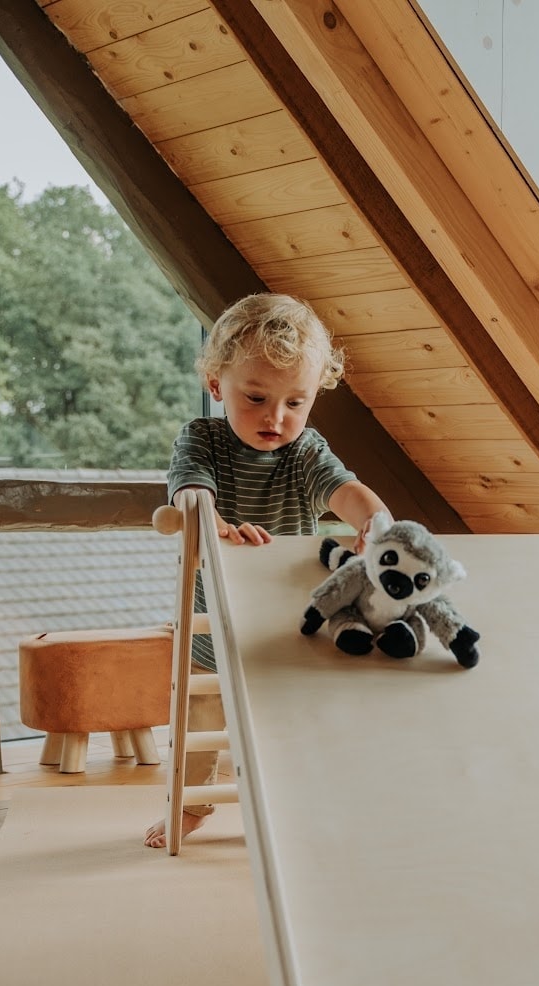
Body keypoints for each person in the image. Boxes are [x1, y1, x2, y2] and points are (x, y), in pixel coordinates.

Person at [144, 293, 390, 848]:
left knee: (294, 723)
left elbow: (345, 490)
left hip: (288, 626)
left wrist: (375, 521)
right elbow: (188, 492)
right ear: (217, 386)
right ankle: (192, 806)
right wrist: (213, 525)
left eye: (295, 403)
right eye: (256, 398)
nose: (276, 418)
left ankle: (301, 805)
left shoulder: (305, 451)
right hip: (214, 629)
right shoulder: (202, 439)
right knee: (202, 722)